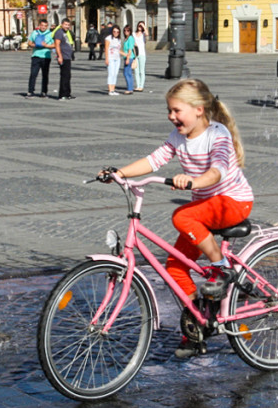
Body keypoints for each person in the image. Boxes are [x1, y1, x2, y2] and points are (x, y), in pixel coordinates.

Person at [101, 78, 253, 358]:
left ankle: (220, 268)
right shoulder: (178, 138)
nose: (172, 116)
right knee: (175, 266)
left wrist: (195, 181)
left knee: (182, 216)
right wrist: (119, 173)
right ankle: (198, 321)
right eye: (169, 111)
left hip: (233, 202)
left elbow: (218, 170)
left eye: (177, 110)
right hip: (206, 207)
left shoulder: (217, 135)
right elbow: (154, 160)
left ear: (199, 109)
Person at [27, 18, 54, 97]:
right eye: (42, 25)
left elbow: (55, 45)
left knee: (45, 75)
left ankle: (44, 92)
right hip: (36, 56)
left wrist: (46, 45)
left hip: (46, 56)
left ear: (47, 26)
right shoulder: (34, 33)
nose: (43, 27)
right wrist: (35, 45)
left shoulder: (50, 34)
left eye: (45, 26)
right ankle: (30, 91)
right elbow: (29, 42)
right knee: (33, 74)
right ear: (39, 25)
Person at [53, 17, 75, 100]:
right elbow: (57, 45)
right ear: (62, 25)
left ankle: (67, 93)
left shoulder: (67, 32)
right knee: (64, 76)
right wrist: (60, 56)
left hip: (67, 56)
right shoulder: (59, 32)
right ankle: (62, 94)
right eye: (65, 25)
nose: (67, 26)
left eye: (68, 25)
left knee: (68, 76)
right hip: (63, 57)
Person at [104, 24, 123, 95]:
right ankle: (110, 90)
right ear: (112, 32)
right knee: (111, 73)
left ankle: (113, 89)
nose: (116, 33)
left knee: (115, 74)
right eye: (114, 31)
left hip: (117, 58)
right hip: (111, 58)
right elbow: (106, 49)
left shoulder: (118, 40)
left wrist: (125, 54)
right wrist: (106, 59)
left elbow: (118, 50)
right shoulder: (108, 38)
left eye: (117, 32)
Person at [121, 24, 136, 94]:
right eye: (125, 30)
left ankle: (130, 89)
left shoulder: (130, 38)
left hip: (129, 57)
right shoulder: (126, 38)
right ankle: (130, 88)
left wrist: (127, 58)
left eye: (128, 30)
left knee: (127, 73)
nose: (126, 32)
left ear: (130, 31)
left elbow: (130, 49)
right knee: (128, 73)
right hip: (127, 57)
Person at [134, 21, 148, 92]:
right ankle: (138, 85)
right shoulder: (134, 34)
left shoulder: (143, 34)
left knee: (141, 71)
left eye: (141, 26)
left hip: (142, 54)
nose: (140, 27)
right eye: (139, 26)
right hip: (136, 54)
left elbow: (147, 33)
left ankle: (141, 86)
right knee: (136, 71)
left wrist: (144, 26)